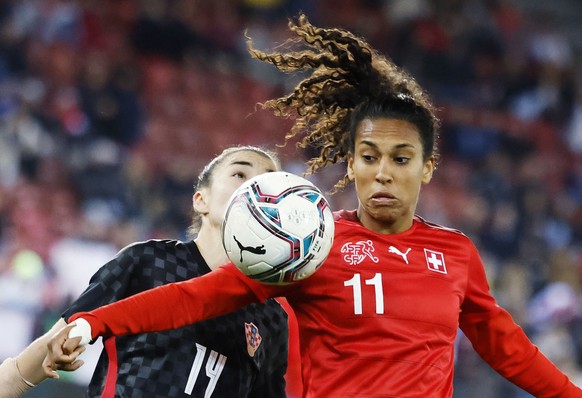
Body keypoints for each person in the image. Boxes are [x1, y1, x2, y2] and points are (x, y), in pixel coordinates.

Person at [57, 14, 582, 397]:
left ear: (426, 167)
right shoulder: (311, 242)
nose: (383, 171)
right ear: (351, 165)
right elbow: (196, 297)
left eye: (401, 158)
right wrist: (94, 323)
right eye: (369, 156)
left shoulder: (456, 254)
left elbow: (508, 349)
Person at [1, 145, 297, 398]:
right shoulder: (147, 261)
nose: (253, 190)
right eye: (240, 175)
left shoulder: (272, 317)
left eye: (267, 184)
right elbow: (53, 344)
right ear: (200, 200)